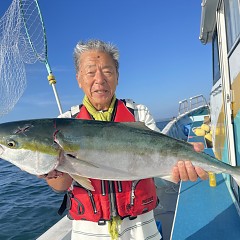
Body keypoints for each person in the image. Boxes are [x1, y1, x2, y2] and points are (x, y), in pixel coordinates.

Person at [44, 39, 208, 240]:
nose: (100, 79)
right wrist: (47, 168)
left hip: (142, 228)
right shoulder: (64, 123)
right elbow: (60, 186)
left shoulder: (138, 114)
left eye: (107, 71)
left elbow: (161, 167)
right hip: (89, 232)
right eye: (90, 72)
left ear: (117, 77)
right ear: (78, 78)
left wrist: (182, 164)